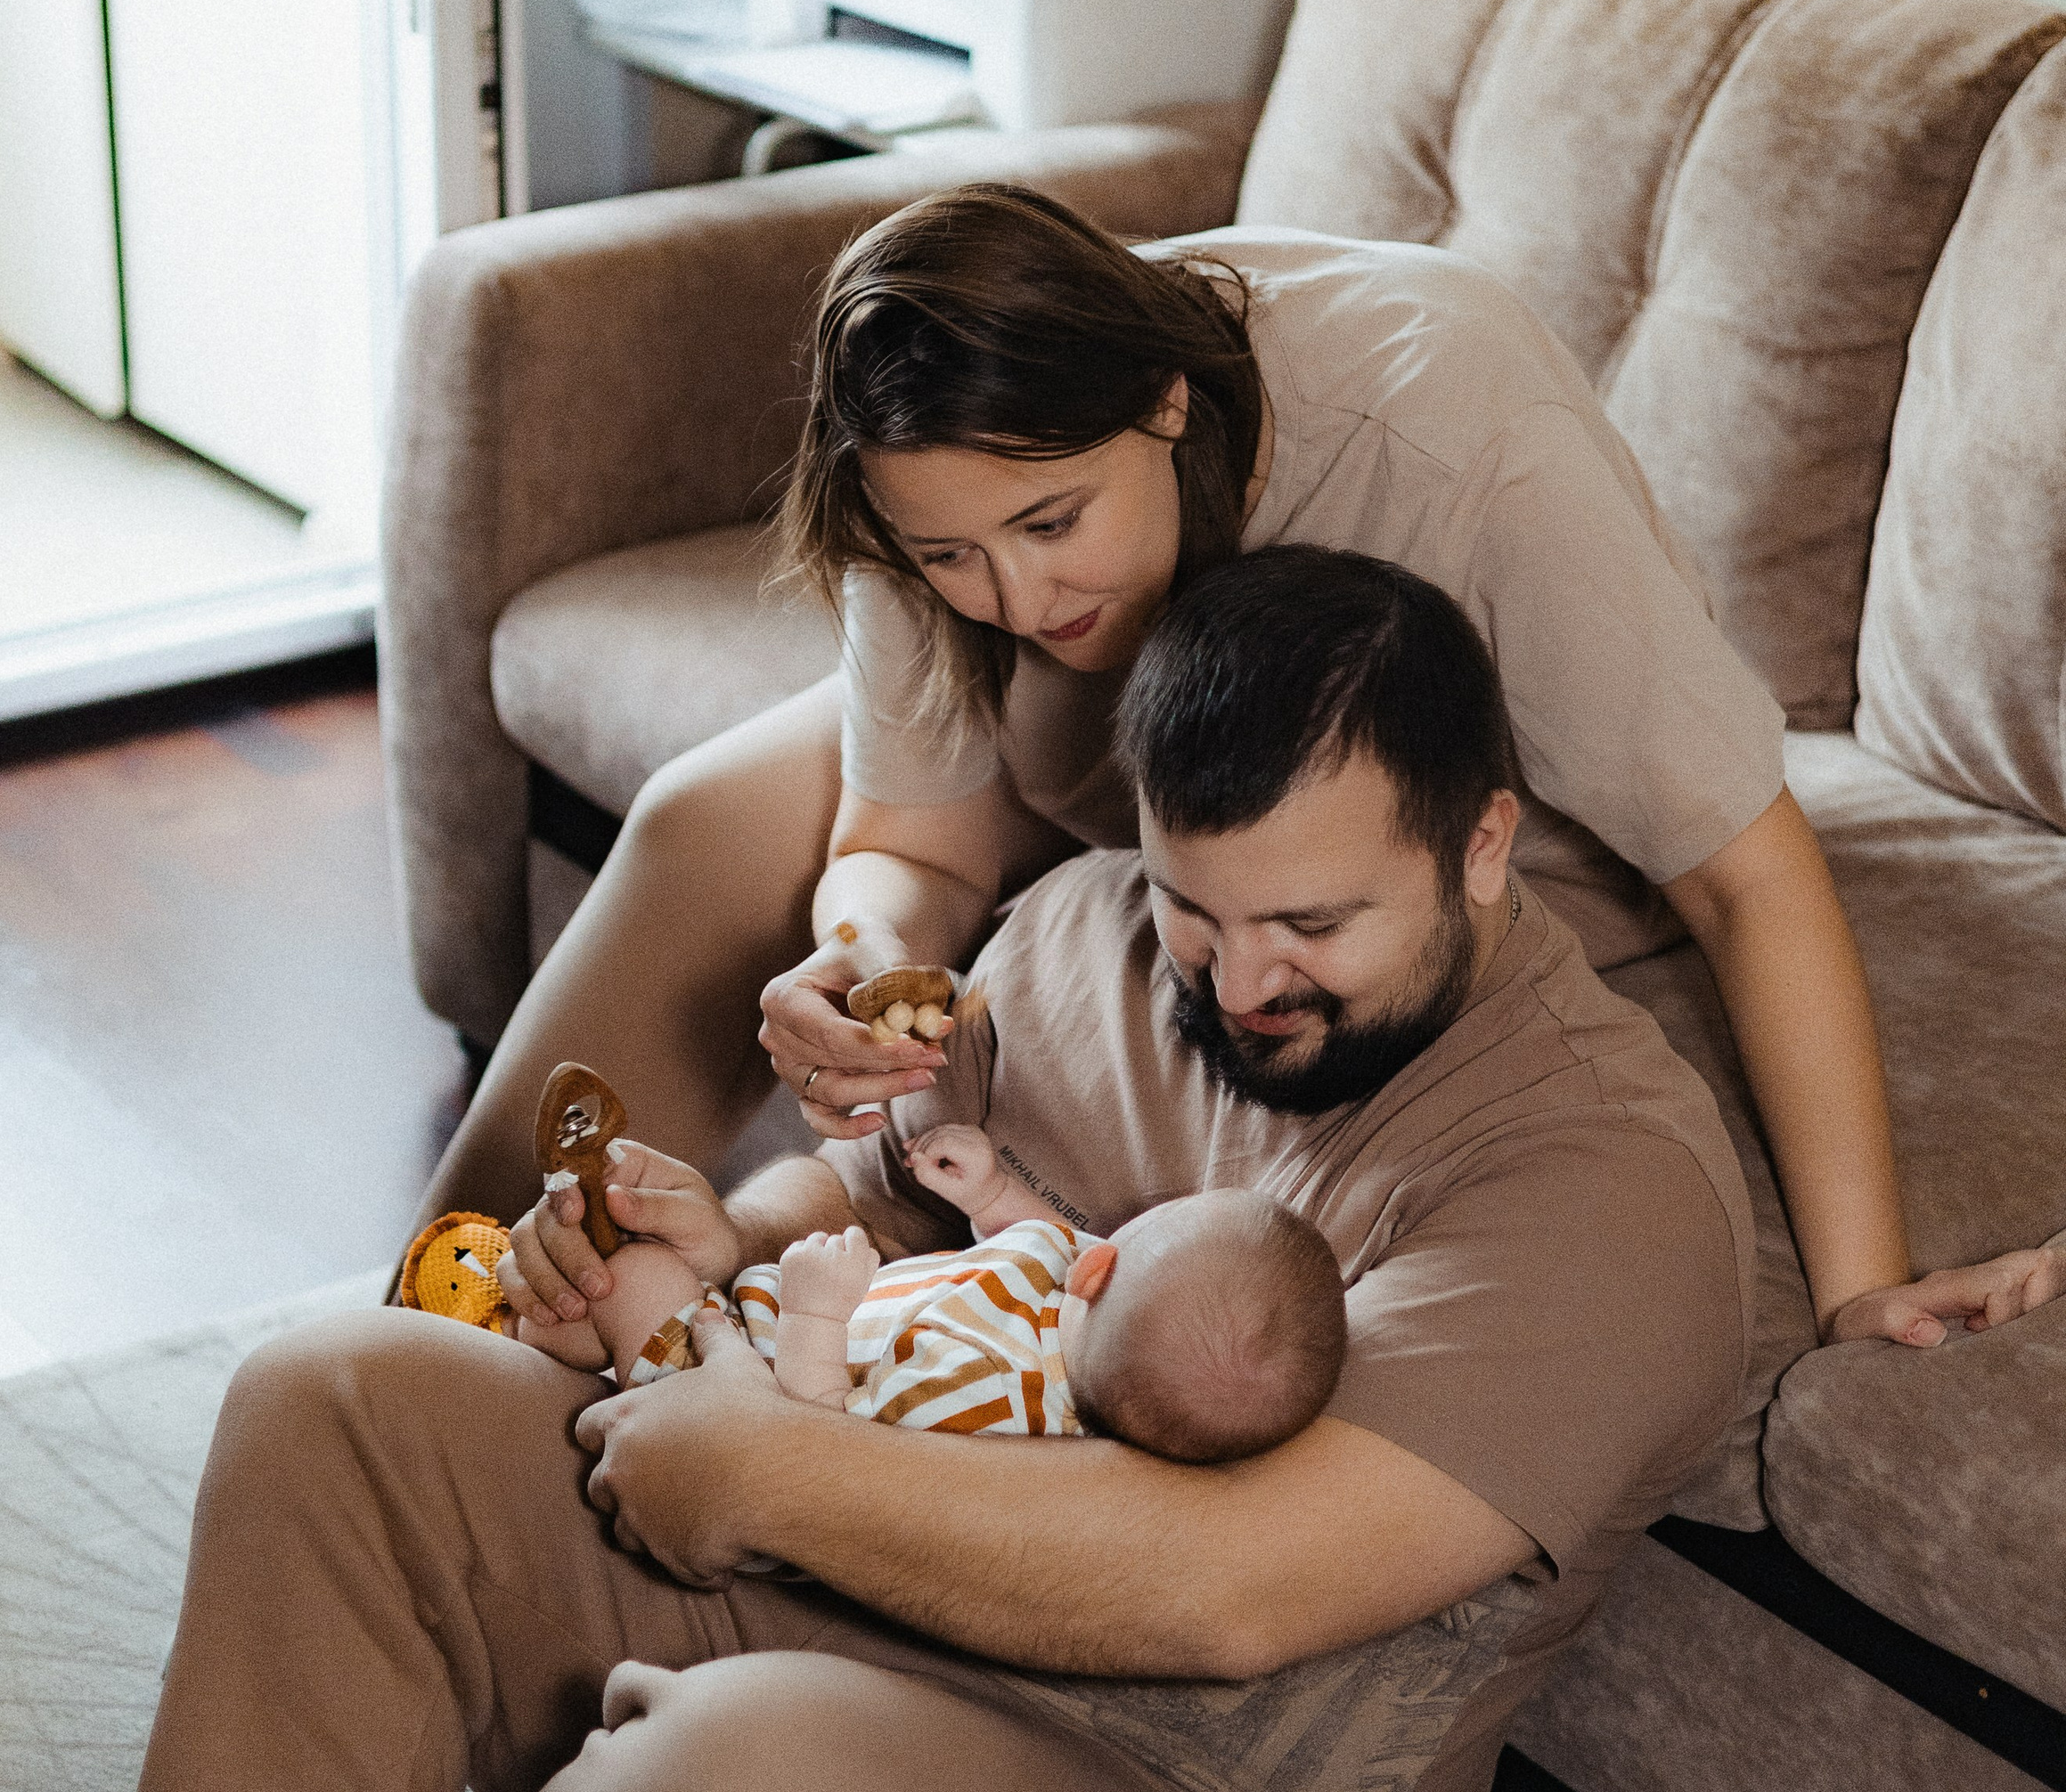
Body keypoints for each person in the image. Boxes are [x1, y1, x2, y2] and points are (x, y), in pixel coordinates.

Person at [0, 548, 1755, 1792]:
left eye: (1312, 923)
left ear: (1482, 843)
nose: (1239, 981)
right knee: (338, 1393)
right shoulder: (1088, 933)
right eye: (1194, 905)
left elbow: (1232, 1586)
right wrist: (716, 1238)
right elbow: (895, 1193)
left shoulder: (1608, 1186)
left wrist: (756, 1472)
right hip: (861, 1577)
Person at [418, 183, 2058, 1356]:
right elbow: (906, 832)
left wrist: (1862, 1293)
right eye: (951, 560)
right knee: (712, 815)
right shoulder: (934, 479)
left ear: (1166, 399)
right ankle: (461, 1309)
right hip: (1110, 786)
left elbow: (1741, 867)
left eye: (1053, 525)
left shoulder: (1454, 435)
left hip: (1424, 861)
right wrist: (863, 963)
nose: (1018, 597)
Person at [530, 1132, 1345, 1463]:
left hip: (742, 1378)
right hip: (771, 1301)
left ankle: (562, 1350)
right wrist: (987, 1190)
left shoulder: (989, 1397)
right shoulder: (1070, 1269)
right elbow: (1019, 1238)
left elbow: (831, 1449)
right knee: (623, 1283)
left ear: (1104, 1269)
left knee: (637, 1277)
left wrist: (816, 1315)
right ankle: (558, 1340)